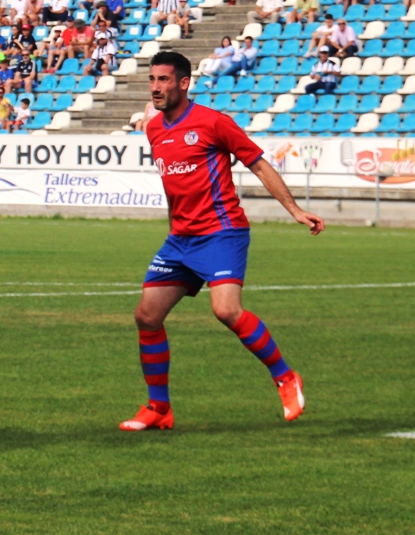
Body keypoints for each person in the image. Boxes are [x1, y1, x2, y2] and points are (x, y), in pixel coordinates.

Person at [119, 50, 323, 433]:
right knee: (147, 316)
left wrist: (295, 210)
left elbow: (259, 163)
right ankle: (159, 408)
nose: (156, 87)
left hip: (222, 231)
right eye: (152, 80)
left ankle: (285, 377)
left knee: (226, 310)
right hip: (181, 239)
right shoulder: (155, 128)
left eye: (164, 80)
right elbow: (174, 185)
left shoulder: (214, 123)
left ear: (184, 83)